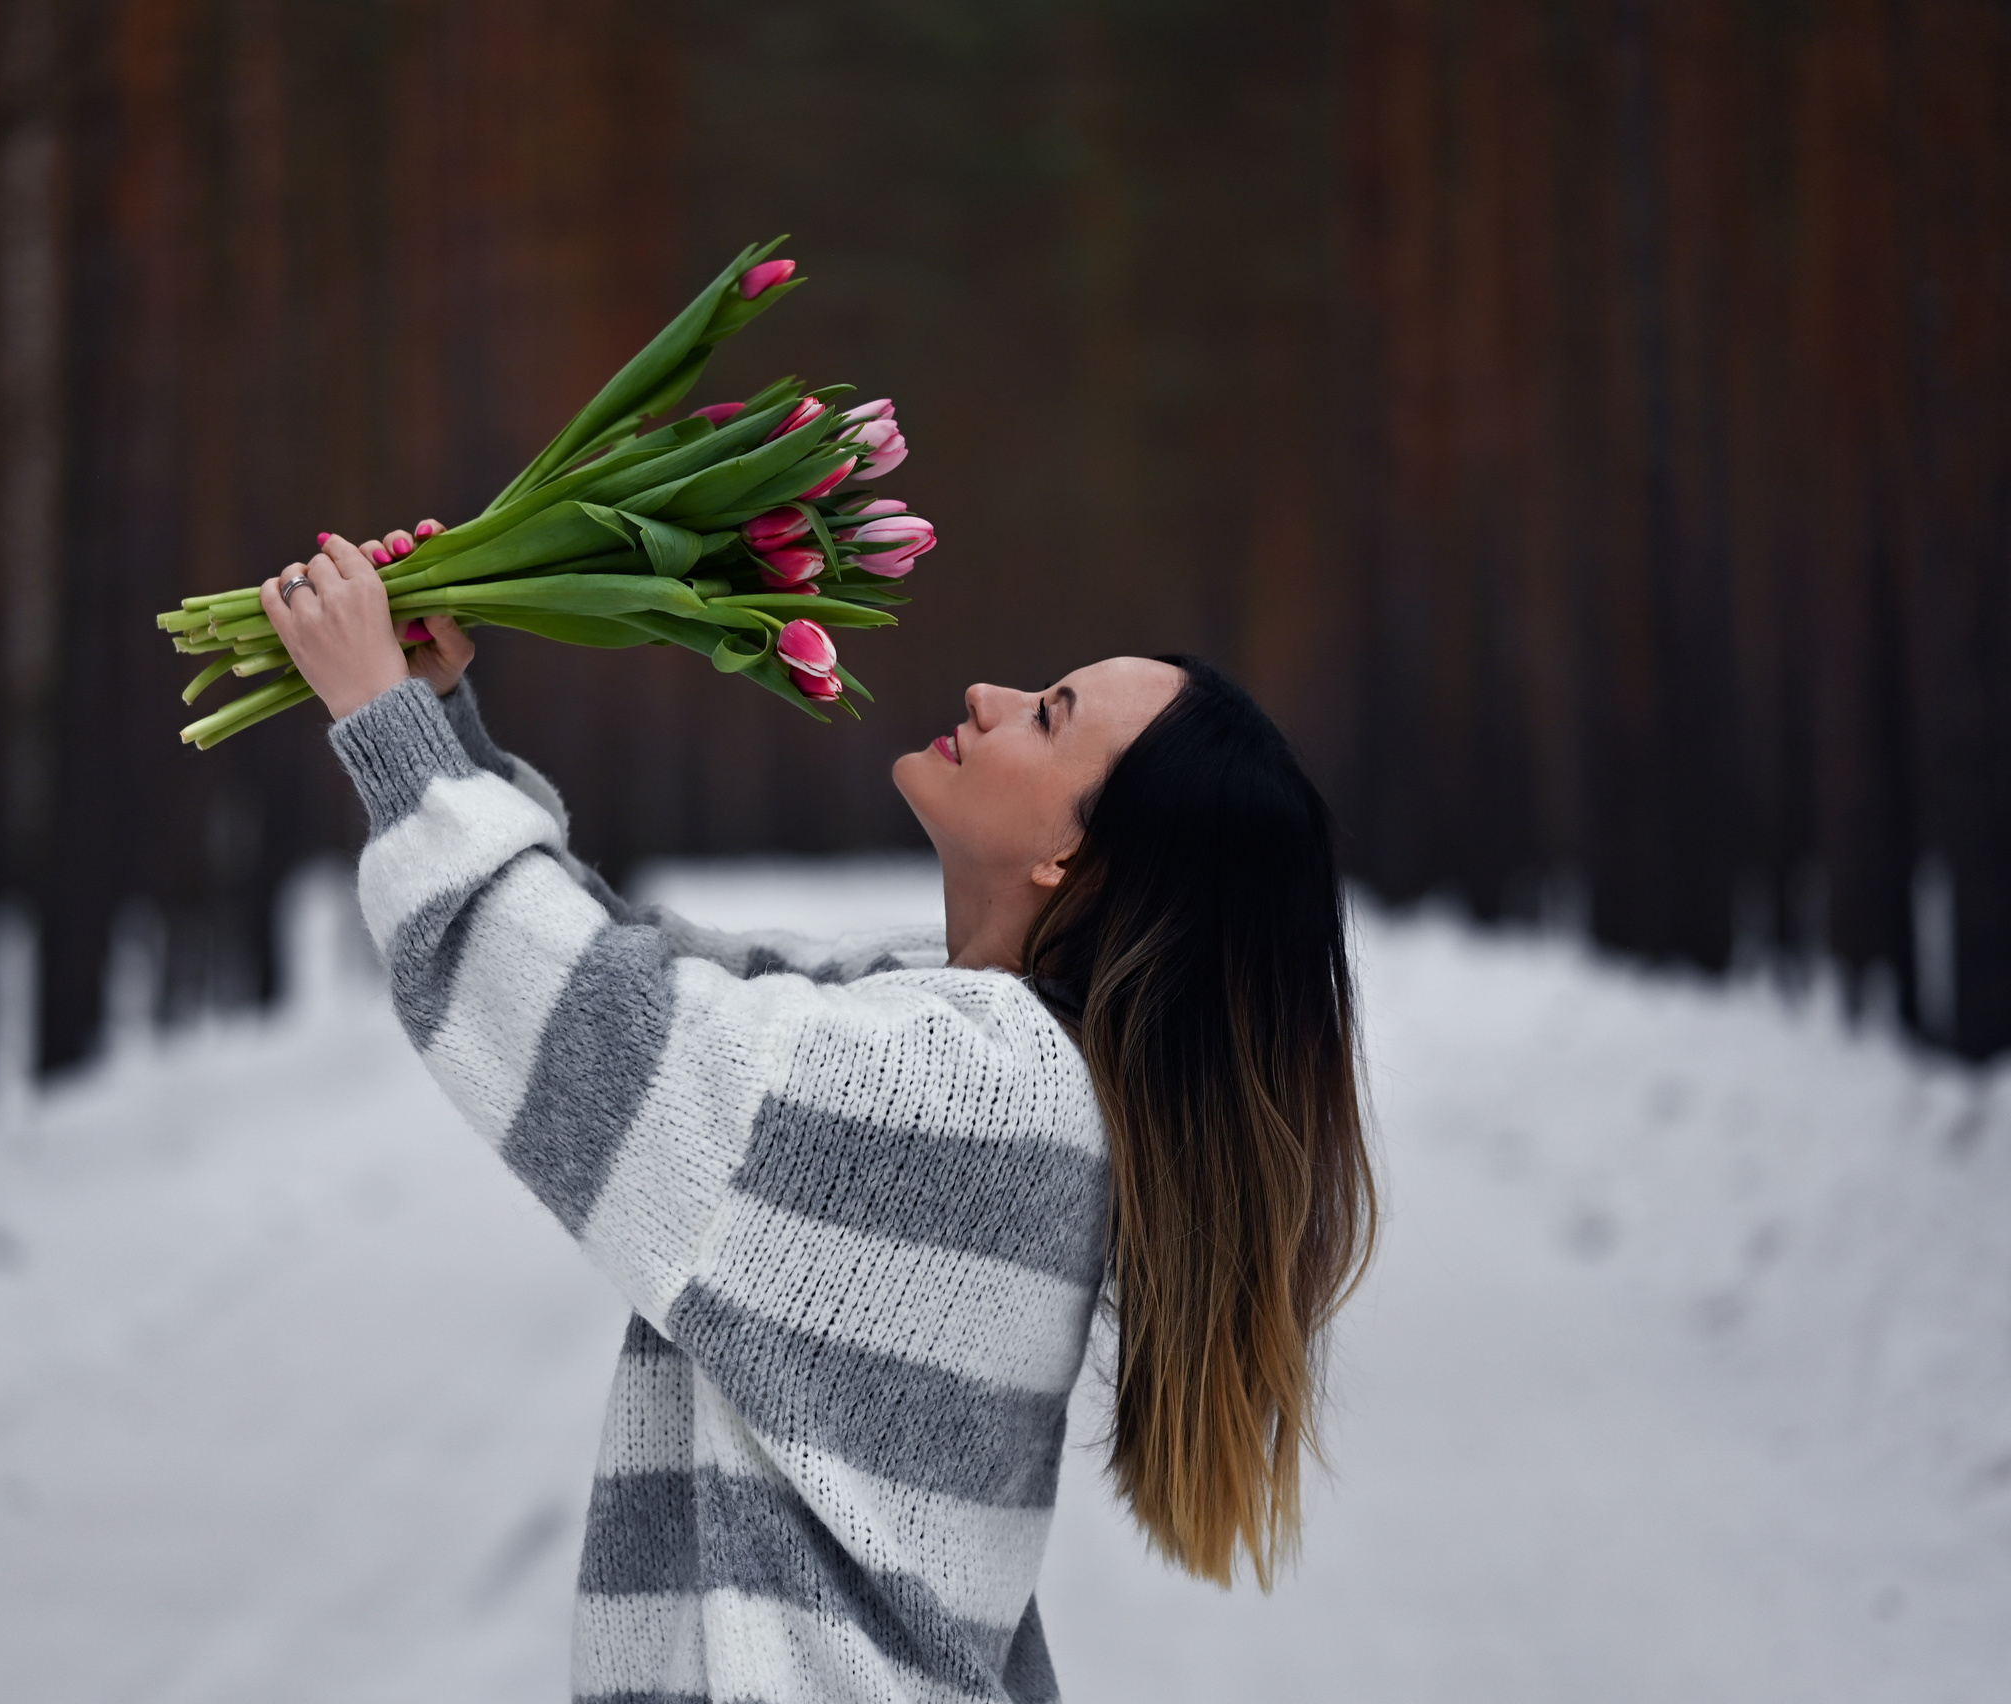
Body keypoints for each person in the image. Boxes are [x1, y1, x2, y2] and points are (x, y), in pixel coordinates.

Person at [261, 531, 1377, 1703]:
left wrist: (389, 727)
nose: (986, 698)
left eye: (1048, 717)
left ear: (1073, 855)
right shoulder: (961, 1044)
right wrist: (438, 729)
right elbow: (647, 974)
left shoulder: (978, 1097)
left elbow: (597, 1033)